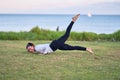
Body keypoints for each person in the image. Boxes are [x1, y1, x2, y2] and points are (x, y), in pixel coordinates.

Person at [26, 14, 94, 55]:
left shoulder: (37, 48)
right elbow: (44, 49)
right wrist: (42, 53)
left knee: (67, 35)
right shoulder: (36, 49)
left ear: (32, 46)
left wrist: (44, 54)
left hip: (54, 45)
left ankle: (73, 21)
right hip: (56, 46)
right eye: (29, 50)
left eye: (30, 48)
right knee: (72, 47)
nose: (30, 50)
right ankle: (87, 49)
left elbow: (46, 48)